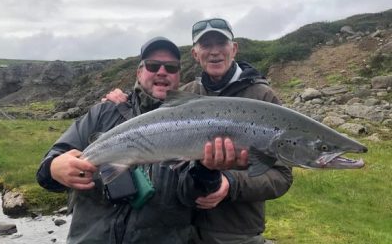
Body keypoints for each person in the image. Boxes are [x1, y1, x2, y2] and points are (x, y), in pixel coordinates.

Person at [103, 18, 293, 244]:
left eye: (221, 44)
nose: (214, 52)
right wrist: (123, 100)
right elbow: (150, 123)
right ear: (195, 54)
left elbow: (281, 176)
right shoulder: (185, 94)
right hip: (178, 230)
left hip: (233, 232)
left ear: (233, 49)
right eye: (206, 45)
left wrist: (230, 184)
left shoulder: (262, 97)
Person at [36, 36, 233, 244]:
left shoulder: (194, 124)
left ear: (178, 77)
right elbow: (46, 172)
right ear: (139, 72)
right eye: (153, 65)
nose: (162, 71)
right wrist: (54, 167)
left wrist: (208, 171)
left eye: (171, 67)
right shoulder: (103, 113)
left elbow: (192, 196)